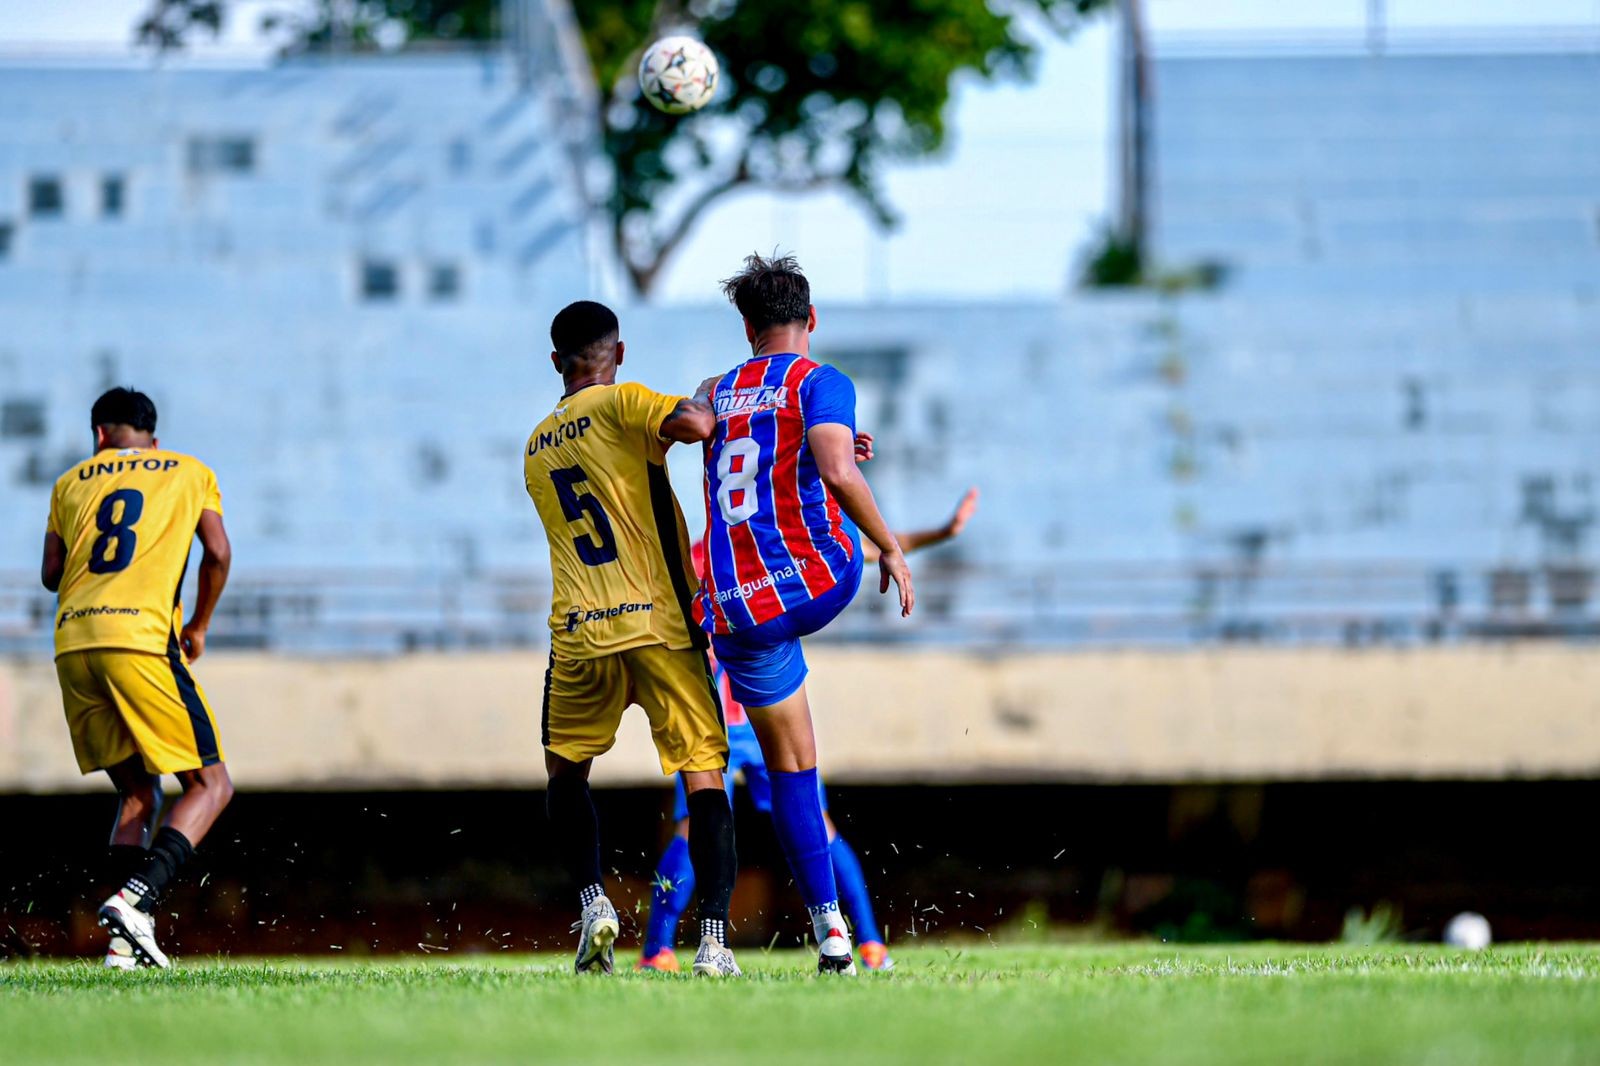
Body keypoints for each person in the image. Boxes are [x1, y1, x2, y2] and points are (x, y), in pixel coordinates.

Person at [639, 489, 980, 973]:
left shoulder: (701, 556)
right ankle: (867, 943)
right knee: (815, 824)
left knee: (696, 831)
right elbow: (872, 545)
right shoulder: (777, 550)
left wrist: (941, 532)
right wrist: (935, 534)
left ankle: (657, 951)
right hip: (766, 712)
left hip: (712, 716)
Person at [695, 252, 915, 975]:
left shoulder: (713, 389)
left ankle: (831, 935)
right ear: (811, 320)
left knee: (794, 767)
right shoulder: (823, 381)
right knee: (843, 522)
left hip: (736, 610)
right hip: (817, 583)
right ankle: (838, 936)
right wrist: (888, 546)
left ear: (748, 326)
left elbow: (721, 436)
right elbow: (835, 468)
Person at [524, 300, 741, 977]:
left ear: (557, 362)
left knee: (565, 773)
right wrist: (706, 393)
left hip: (578, 635)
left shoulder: (535, 444)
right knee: (704, 777)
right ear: (618, 354)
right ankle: (711, 942)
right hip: (659, 626)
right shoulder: (626, 401)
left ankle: (593, 904)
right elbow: (697, 425)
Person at [41, 387, 235, 969]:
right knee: (211, 786)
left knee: (137, 791)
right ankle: (137, 898)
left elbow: (52, 574)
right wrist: (198, 624)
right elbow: (219, 552)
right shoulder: (189, 470)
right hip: (140, 640)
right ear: (153, 433)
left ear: (100, 434)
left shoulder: (71, 481)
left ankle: (122, 948)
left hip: (74, 643)